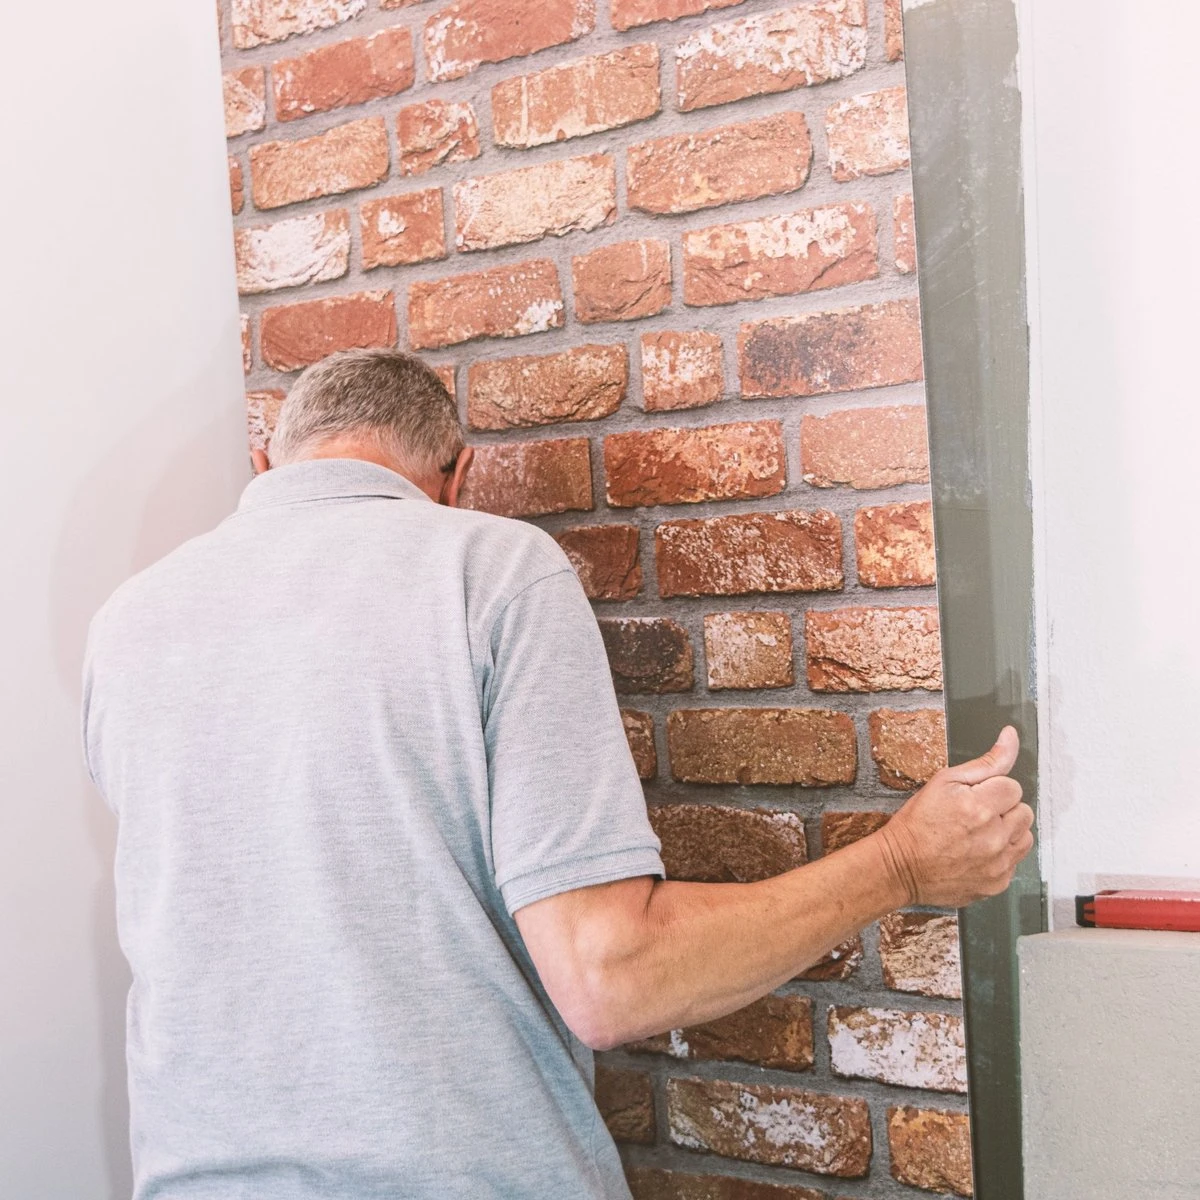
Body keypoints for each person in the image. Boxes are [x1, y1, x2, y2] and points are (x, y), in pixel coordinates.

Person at [82, 348, 1034, 1200]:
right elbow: (613, 979)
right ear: (458, 478)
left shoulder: (128, 620)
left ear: (268, 469)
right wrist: (903, 865)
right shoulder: (488, 570)